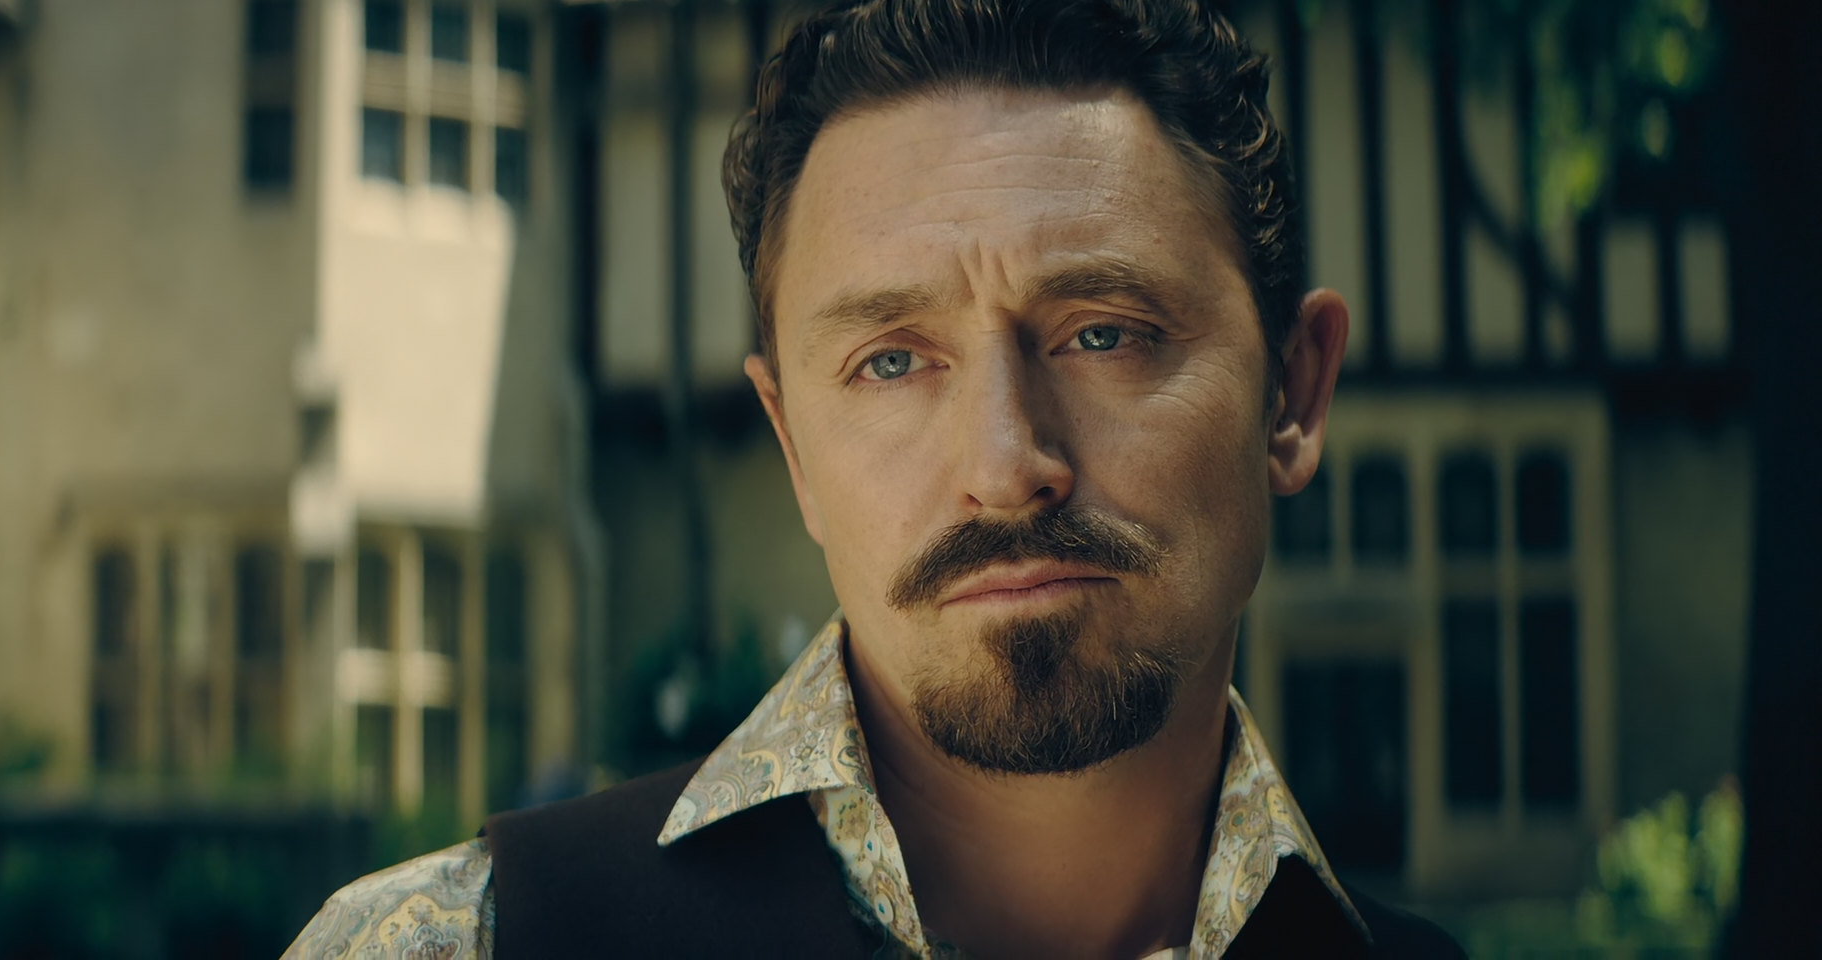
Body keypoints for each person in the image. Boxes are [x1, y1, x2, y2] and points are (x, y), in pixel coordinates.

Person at [285, 0, 1465, 956]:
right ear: (794, 447)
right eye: (892, 362)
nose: (1005, 467)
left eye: (1103, 335)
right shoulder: (457, 948)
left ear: (1293, 397)